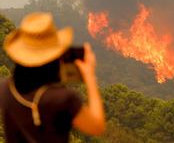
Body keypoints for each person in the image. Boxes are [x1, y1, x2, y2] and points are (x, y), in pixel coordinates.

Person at [0, 13, 105, 143]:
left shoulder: (5, 89)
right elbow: (96, 126)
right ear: (55, 56)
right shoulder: (63, 99)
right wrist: (90, 76)